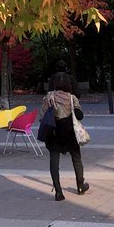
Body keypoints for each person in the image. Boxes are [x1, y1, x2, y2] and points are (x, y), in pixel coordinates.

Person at [41, 71, 88, 201]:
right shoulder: (72, 98)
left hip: (53, 133)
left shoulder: (48, 98)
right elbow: (80, 116)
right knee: (76, 158)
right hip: (70, 133)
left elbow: (42, 116)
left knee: (54, 161)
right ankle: (80, 186)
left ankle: (58, 191)